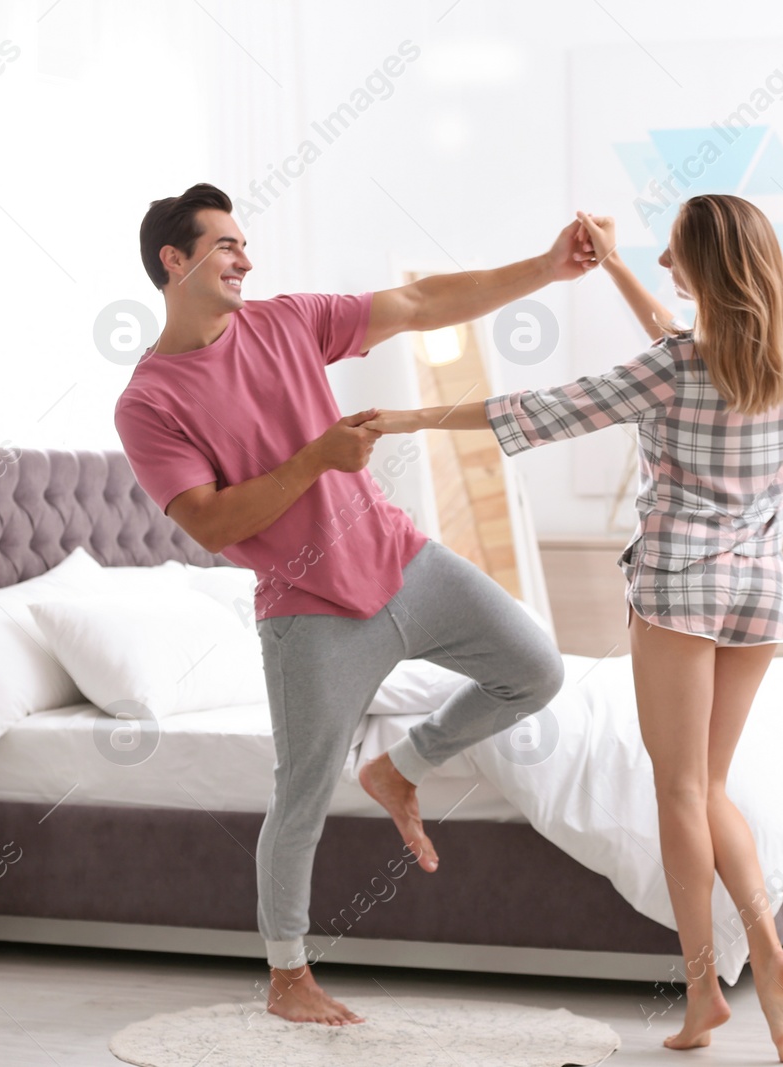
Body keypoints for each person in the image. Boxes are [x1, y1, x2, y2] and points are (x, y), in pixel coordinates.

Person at [114, 183, 595, 1025]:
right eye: (227, 245)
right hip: (309, 611)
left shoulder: (287, 320)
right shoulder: (148, 402)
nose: (246, 260)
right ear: (173, 261)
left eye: (245, 243)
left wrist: (547, 268)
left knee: (536, 667)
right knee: (301, 793)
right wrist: (314, 460)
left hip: (402, 558)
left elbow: (416, 302)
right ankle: (288, 975)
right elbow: (211, 522)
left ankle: (399, 768)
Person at [368, 195, 783, 1062]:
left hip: (679, 587)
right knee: (709, 786)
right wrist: (610, 267)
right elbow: (687, 345)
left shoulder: (672, 369)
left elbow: (532, 411)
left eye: (670, 256)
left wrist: (408, 418)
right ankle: (765, 948)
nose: (661, 270)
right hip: (758, 591)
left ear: (708, 270)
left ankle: (702, 989)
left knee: (680, 789)